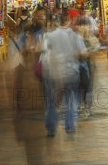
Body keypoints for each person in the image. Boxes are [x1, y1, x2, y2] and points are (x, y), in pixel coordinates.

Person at [42, 9, 87, 137]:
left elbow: (45, 51)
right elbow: (84, 53)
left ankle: (51, 128)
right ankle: (70, 125)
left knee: (53, 101)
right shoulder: (75, 36)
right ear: (68, 20)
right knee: (71, 100)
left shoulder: (51, 36)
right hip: (71, 72)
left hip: (54, 73)